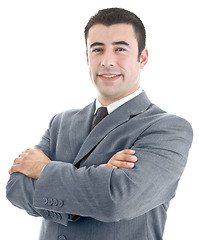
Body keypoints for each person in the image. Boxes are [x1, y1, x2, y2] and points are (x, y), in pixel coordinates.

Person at [6, 7, 193, 240]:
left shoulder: (168, 129)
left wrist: (43, 170)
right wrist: (95, 183)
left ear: (142, 57)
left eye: (120, 49)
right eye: (98, 50)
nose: (107, 61)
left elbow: (117, 200)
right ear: (87, 58)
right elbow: (15, 189)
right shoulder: (60, 123)